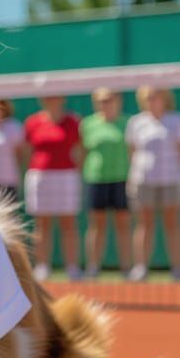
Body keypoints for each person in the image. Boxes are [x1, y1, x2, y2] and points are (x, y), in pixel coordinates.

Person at [126, 86, 180, 282]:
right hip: (143, 179)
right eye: (149, 97)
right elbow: (132, 151)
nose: (153, 100)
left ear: (165, 98)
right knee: (145, 223)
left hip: (172, 179)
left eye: (156, 96)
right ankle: (141, 267)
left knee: (173, 223)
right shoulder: (136, 122)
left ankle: (178, 268)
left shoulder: (177, 119)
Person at [23, 96, 82, 281]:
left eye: (55, 98)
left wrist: (75, 170)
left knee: (68, 223)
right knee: (42, 224)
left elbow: (80, 151)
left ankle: (72, 267)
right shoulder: (33, 122)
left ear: (62, 100)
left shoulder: (73, 121)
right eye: (48, 98)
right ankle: (42, 266)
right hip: (40, 176)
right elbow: (27, 151)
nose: (52, 101)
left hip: (67, 176)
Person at [81, 88, 131, 278]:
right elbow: (83, 152)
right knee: (97, 225)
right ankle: (93, 267)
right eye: (101, 100)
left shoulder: (127, 123)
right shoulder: (88, 124)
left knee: (123, 224)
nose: (106, 103)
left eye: (110, 99)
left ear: (118, 101)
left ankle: (127, 268)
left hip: (122, 179)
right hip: (96, 179)